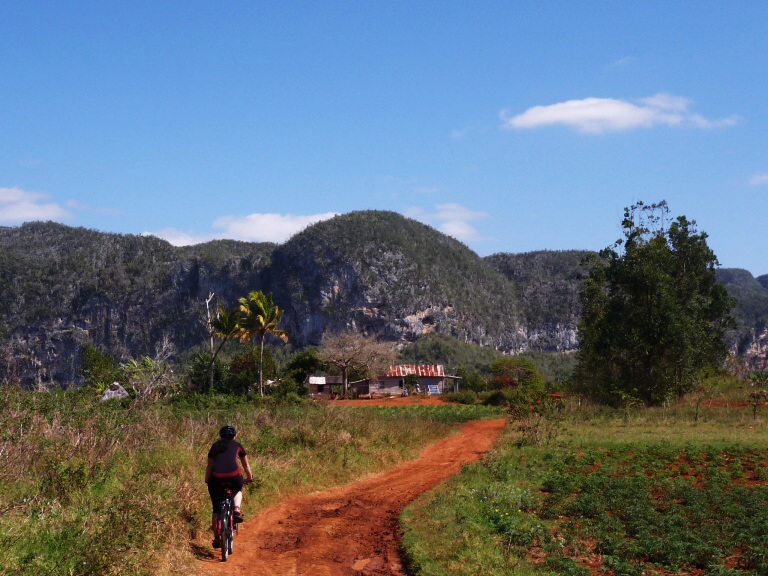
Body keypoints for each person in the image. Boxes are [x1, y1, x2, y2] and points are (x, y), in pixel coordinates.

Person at [205, 425, 253, 549]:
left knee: (216, 510)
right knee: (237, 489)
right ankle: (236, 509)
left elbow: (209, 467)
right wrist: (249, 478)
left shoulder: (215, 446)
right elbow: (246, 465)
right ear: (234, 435)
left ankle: (216, 538)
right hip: (233, 476)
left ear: (220, 435)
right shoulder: (238, 446)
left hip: (216, 478)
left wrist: (207, 480)